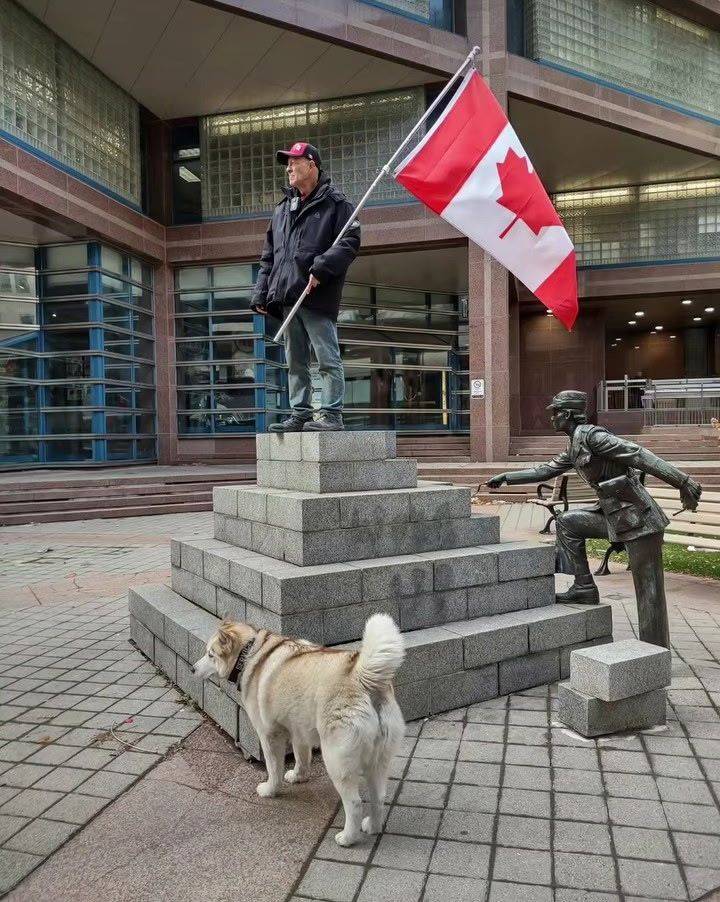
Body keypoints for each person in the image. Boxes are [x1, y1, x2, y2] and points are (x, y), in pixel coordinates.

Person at [485, 390, 702, 648]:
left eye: (554, 412)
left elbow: (639, 455)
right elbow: (544, 470)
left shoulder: (595, 437)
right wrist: (506, 477)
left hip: (640, 521)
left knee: (649, 594)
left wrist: (684, 483)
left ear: (566, 414)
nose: (551, 418)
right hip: (613, 516)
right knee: (567, 522)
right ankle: (584, 587)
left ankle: (655, 651)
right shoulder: (575, 444)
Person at [250, 142, 360, 432]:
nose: (288, 168)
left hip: (316, 293)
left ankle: (332, 415)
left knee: (326, 357)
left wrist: (321, 269)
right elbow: (269, 256)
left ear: (312, 165)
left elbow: (349, 243)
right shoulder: (283, 209)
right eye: (287, 163)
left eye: (294, 162)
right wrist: (261, 292)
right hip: (288, 296)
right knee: (295, 361)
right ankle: (301, 414)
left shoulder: (337, 204)